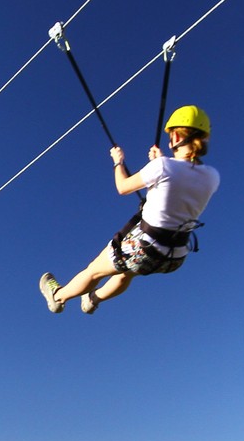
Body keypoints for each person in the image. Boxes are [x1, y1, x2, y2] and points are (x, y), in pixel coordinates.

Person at [40, 105, 219, 315]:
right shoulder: (212, 176)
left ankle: (57, 297)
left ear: (177, 136)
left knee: (93, 272)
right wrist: (159, 161)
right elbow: (178, 187)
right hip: (173, 257)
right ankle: (92, 300)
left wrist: (119, 162)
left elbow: (123, 187)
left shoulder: (162, 166)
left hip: (142, 248)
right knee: (126, 273)